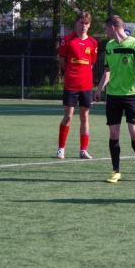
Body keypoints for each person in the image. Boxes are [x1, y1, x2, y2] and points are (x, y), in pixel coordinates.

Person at [94, 15, 135, 183]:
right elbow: (107, 71)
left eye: (105, 29)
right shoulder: (110, 47)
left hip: (132, 96)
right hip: (113, 97)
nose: (104, 32)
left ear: (112, 28)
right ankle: (116, 171)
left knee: (134, 133)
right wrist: (98, 89)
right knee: (113, 133)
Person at [56, 11, 98, 159]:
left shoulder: (93, 42)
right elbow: (62, 61)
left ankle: (83, 150)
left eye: (86, 23)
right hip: (71, 85)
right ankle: (61, 149)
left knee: (85, 117)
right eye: (81, 22)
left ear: (89, 25)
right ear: (76, 23)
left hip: (86, 85)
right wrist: (72, 72)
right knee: (68, 117)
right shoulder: (66, 40)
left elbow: (92, 63)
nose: (84, 26)